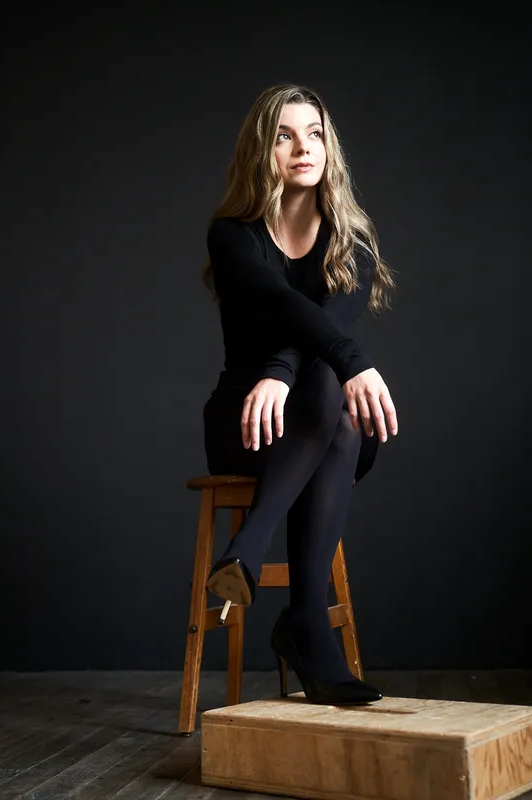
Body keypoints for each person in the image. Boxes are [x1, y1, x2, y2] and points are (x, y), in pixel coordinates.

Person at [200, 84, 399, 705]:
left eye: (314, 134)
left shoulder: (351, 246)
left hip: (314, 411)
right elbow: (283, 305)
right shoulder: (233, 236)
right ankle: (307, 626)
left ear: (328, 146)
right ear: (263, 150)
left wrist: (285, 372)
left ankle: (248, 549)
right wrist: (332, 368)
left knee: (331, 391)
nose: (302, 147)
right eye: (284, 136)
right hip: (246, 422)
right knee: (340, 404)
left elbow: (322, 330)